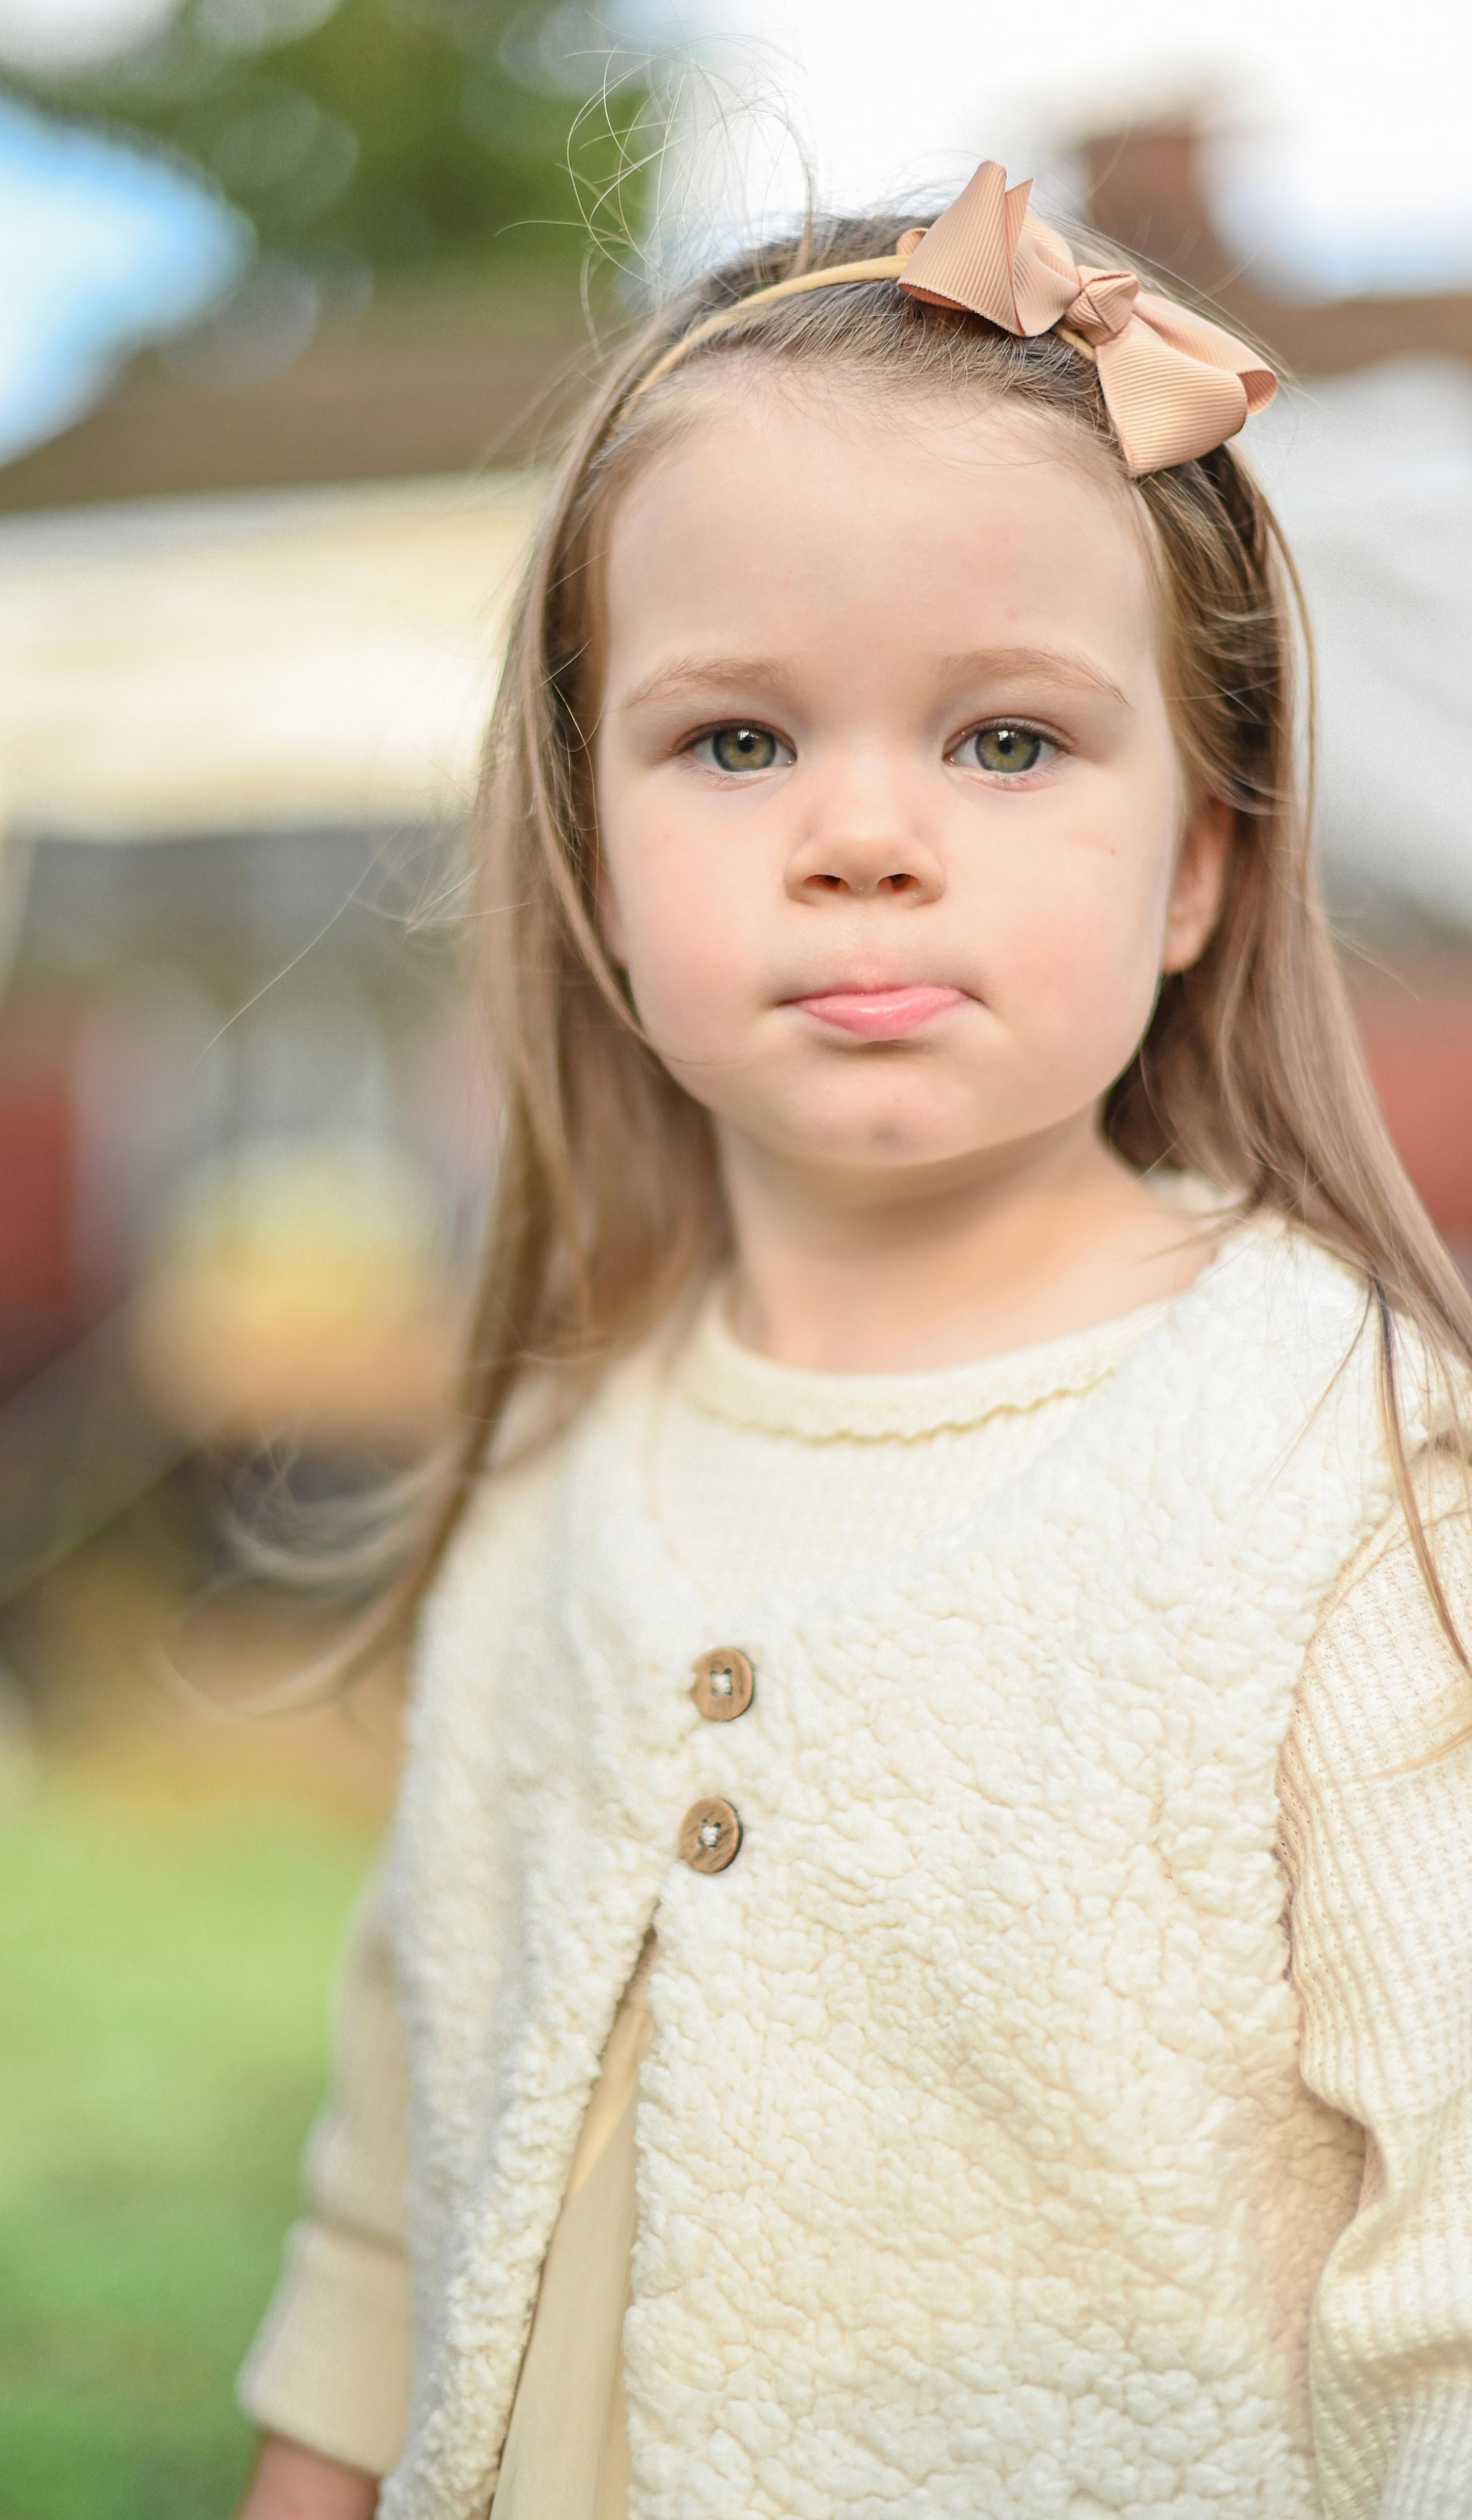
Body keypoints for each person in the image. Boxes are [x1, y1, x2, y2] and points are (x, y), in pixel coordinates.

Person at [233, 162, 1472, 2519]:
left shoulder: (1356, 1476)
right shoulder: (558, 1470)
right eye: (734, 744)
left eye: (1010, 742)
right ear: (590, 847)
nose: (865, 839)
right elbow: (393, 2212)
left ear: (1203, 855)